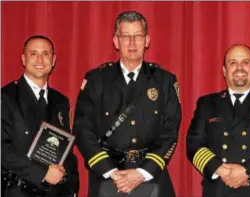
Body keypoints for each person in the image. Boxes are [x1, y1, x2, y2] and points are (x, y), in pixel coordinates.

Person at [73, 11, 182, 197]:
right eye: (125, 36)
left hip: (151, 175)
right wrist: (110, 171)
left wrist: (143, 173)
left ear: (147, 40)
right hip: (107, 176)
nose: (132, 43)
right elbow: (82, 127)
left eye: (138, 36)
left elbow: (170, 131)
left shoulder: (164, 81)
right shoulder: (97, 79)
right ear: (116, 41)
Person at [186, 44, 250, 197]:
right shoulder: (207, 103)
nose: (239, 68)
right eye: (232, 63)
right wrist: (222, 171)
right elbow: (193, 144)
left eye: (246, 62)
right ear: (224, 70)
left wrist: (246, 170)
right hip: (218, 189)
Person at [1, 35, 79, 197]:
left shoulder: (61, 101)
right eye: (33, 53)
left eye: (45, 54)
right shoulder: (6, 97)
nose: (40, 59)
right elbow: (2, 149)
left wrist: (69, 180)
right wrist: (42, 173)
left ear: (53, 60)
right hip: (19, 190)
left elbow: (65, 147)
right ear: (23, 59)